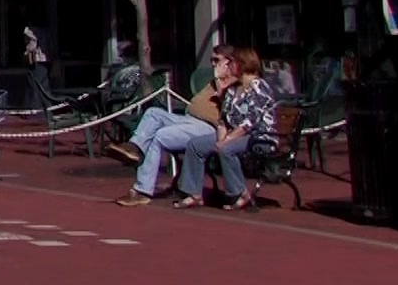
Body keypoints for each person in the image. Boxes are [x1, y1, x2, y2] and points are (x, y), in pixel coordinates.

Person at [107, 44, 235, 205]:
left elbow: (228, 106)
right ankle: (134, 148)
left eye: (217, 60)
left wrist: (219, 79)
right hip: (189, 119)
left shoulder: (233, 80)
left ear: (229, 61)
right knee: (153, 113)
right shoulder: (216, 79)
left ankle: (141, 190)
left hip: (209, 127)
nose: (213, 64)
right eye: (211, 60)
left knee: (158, 136)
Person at [174, 46, 279, 210]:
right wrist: (221, 138)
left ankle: (238, 192)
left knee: (226, 149)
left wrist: (225, 141)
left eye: (231, 63)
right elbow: (223, 120)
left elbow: (249, 123)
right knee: (195, 145)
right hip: (234, 134)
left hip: (259, 136)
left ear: (242, 64)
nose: (227, 66)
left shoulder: (259, 87)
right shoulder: (232, 89)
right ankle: (193, 193)